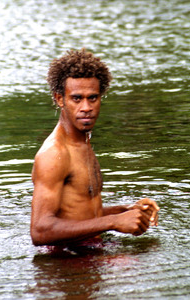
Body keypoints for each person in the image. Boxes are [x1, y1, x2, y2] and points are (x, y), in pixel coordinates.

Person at [30, 49, 160, 251]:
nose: (86, 107)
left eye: (93, 98)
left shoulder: (83, 142)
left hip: (91, 248)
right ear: (59, 99)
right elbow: (40, 231)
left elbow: (79, 212)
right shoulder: (54, 154)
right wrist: (113, 222)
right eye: (76, 98)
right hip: (66, 263)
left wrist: (125, 211)